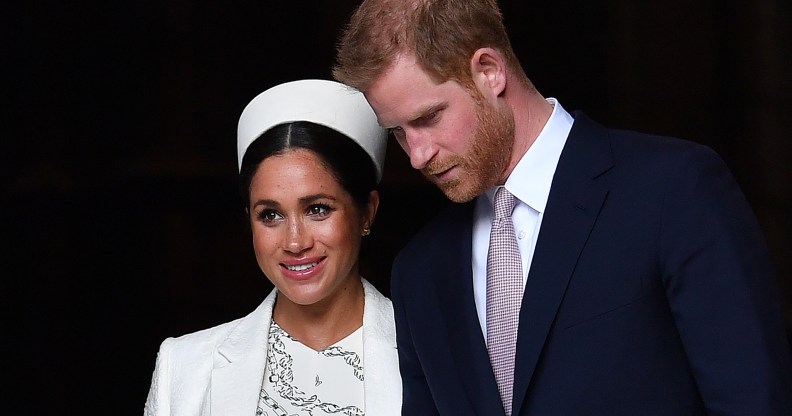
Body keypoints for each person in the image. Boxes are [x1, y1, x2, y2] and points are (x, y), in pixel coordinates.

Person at [332, 1, 792, 415]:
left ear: (489, 70)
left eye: (428, 117)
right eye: (397, 132)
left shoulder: (673, 190)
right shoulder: (420, 271)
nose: (416, 155)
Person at [144, 79, 401, 415]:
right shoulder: (185, 368)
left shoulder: (432, 354)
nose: (295, 242)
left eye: (317, 209)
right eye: (271, 215)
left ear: (367, 211)